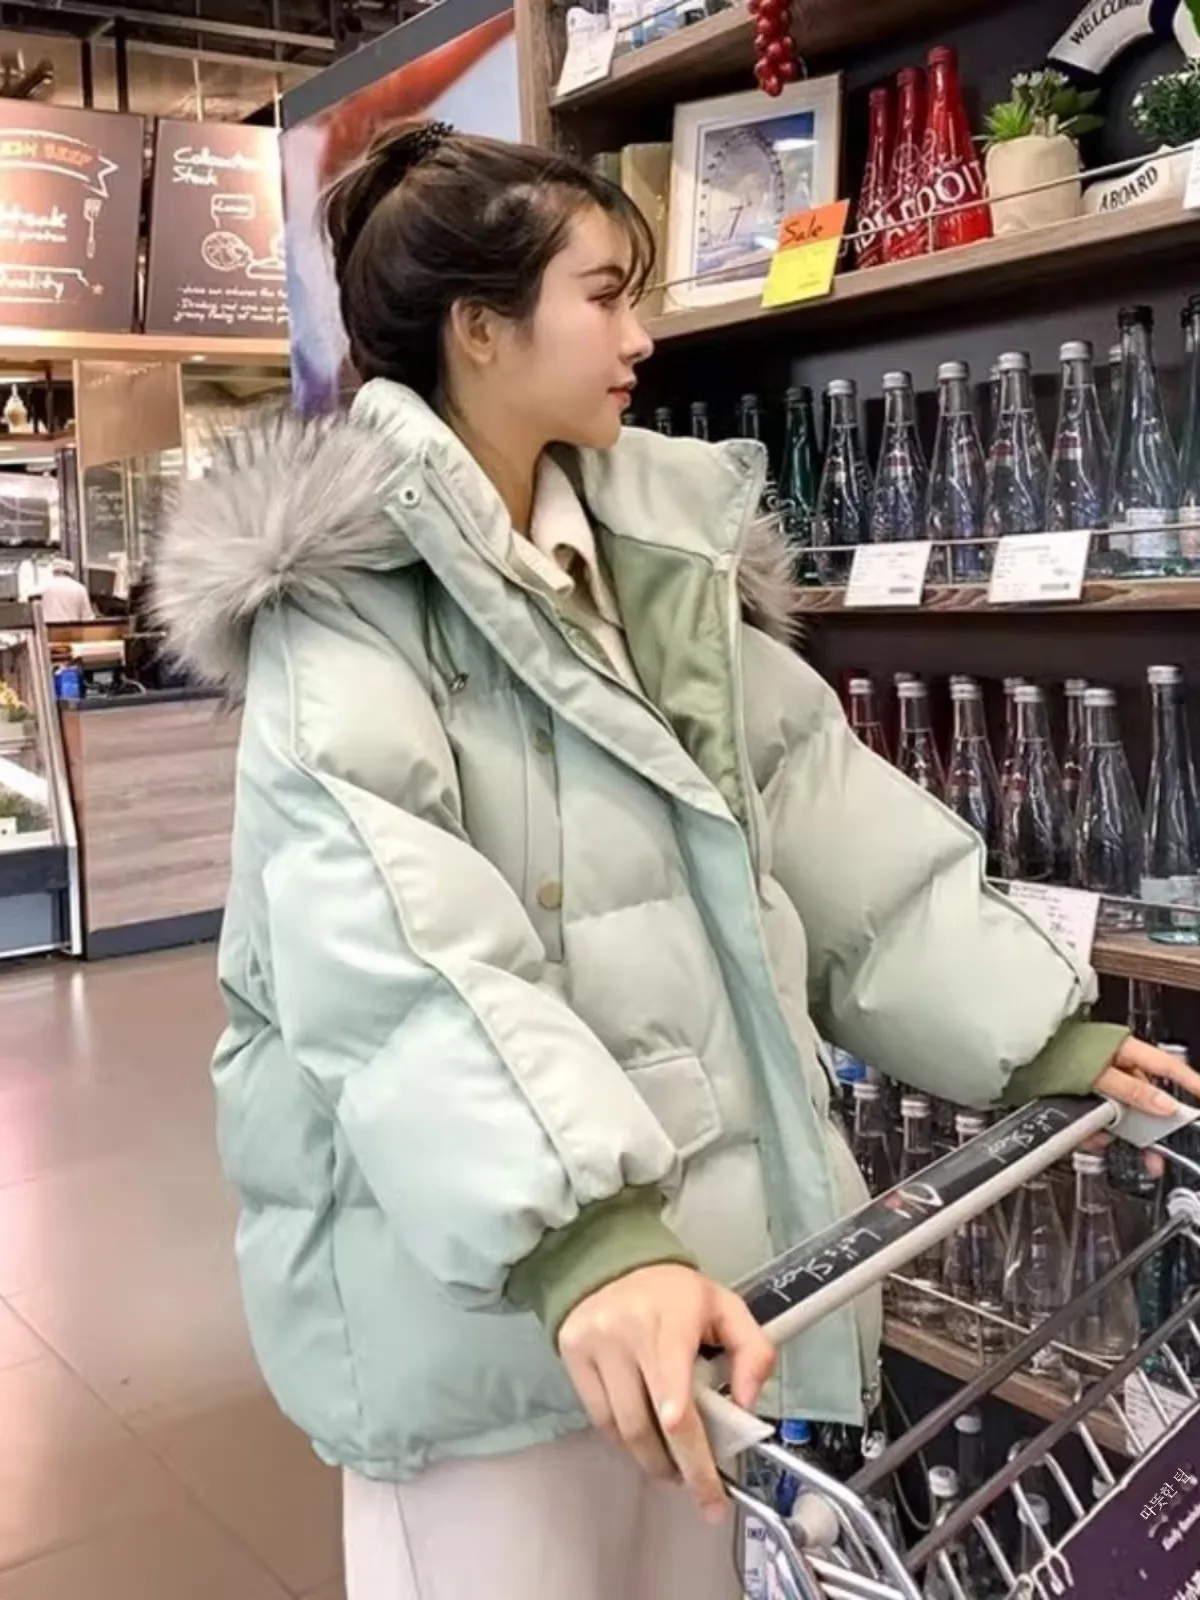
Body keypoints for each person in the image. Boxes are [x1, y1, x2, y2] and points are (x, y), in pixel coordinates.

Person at [152, 121, 1198, 1600]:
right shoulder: (347, 603)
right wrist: (581, 1232)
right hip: (479, 1286)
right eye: (603, 295)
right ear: (477, 328)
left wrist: (1041, 1028)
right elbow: (393, 950)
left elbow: (819, 816)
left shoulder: (650, 557)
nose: (641, 336)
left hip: (683, 1277)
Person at [39, 557, 94, 624]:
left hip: (49, 628)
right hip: (72, 628)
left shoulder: (44, 587)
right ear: (70, 572)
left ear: (54, 571)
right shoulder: (79, 588)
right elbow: (87, 617)